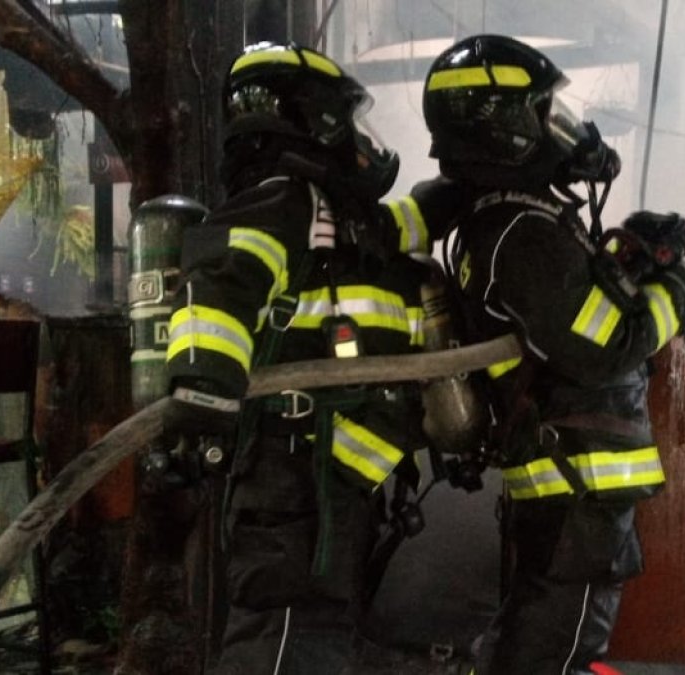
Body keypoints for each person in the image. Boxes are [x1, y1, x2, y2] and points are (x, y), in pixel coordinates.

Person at [421, 35, 685, 674]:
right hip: (579, 482)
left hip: (572, 484)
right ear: (505, 129)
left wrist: (630, 259)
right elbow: (604, 346)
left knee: (542, 643)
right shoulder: (521, 235)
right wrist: (682, 290)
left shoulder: (515, 224)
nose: (565, 129)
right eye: (544, 111)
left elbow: (565, 316)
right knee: (556, 655)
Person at [161, 42, 456, 675]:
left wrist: (458, 188)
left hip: (324, 483)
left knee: (312, 637)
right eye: (346, 121)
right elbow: (222, 280)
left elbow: (401, 225)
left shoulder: (335, 218)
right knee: (284, 637)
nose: (358, 140)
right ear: (313, 120)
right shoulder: (281, 201)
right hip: (291, 481)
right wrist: (203, 389)